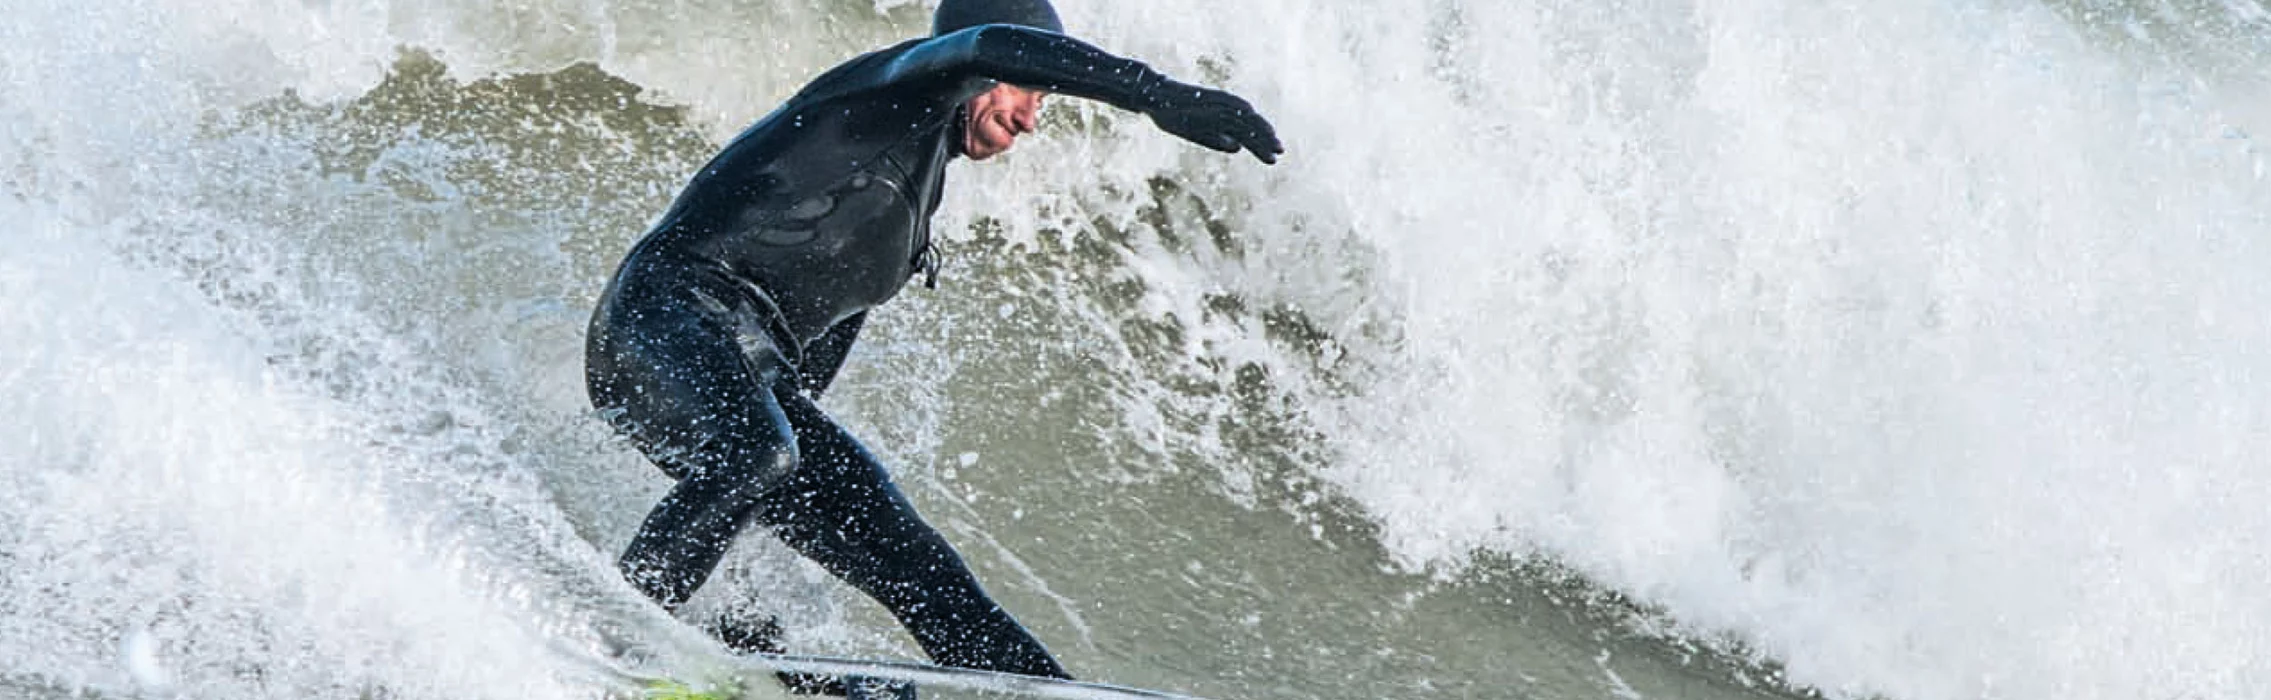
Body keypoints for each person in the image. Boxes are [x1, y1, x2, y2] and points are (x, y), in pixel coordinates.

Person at [584, 0, 1282, 686]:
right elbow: (987, 43)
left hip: (750, 380)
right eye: (1028, 91)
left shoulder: (906, 225)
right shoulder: (885, 93)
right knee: (760, 454)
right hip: (661, 315)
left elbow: (799, 383)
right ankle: (619, 640)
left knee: (929, 578)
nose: (1031, 118)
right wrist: (1152, 93)